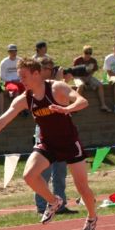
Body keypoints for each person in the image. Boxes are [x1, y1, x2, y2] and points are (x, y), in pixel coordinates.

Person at [0, 58, 98, 230]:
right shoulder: (25, 98)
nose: (20, 80)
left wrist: (66, 109)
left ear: (36, 73)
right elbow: (3, 120)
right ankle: (54, 201)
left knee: (82, 187)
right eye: (19, 76)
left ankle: (92, 217)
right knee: (29, 176)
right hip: (47, 144)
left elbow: (82, 101)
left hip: (69, 142)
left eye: (24, 76)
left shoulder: (56, 88)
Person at [34, 58, 74, 216]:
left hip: (61, 132)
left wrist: (63, 82)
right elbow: (46, 99)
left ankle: (60, 204)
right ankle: (42, 204)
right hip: (44, 132)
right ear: (40, 69)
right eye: (48, 68)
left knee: (60, 170)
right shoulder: (37, 85)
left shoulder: (56, 85)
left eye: (52, 69)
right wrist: (57, 80)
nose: (51, 71)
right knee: (44, 170)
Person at [70, 45, 111, 112]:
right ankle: (75, 104)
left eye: (90, 53)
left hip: (88, 76)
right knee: (81, 85)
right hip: (78, 77)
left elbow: (93, 71)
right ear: (83, 53)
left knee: (100, 85)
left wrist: (88, 77)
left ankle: (103, 105)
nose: (88, 55)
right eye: (86, 53)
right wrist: (82, 79)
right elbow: (73, 72)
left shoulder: (93, 61)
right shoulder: (78, 60)